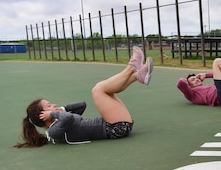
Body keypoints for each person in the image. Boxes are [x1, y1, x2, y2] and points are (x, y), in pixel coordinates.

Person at [14, 46, 154, 147]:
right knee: (98, 89)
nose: (53, 106)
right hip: (115, 128)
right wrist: (54, 113)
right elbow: (68, 118)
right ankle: (131, 67)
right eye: (49, 106)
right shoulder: (54, 131)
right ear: (42, 115)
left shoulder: (59, 121)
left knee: (105, 90)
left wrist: (59, 109)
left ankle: (137, 76)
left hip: (115, 125)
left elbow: (82, 105)